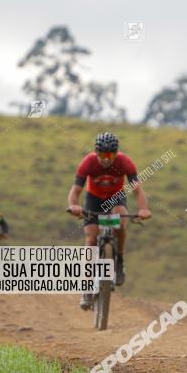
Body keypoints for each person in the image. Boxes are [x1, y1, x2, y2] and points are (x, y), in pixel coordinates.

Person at [66, 132, 151, 310]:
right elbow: (75, 191)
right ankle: (87, 288)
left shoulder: (124, 162)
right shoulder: (88, 162)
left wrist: (143, 209)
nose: (106, 159)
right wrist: (74, 206)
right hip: (94, 199)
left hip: (115, 199)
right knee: (90, 240)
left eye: (110, 155)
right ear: (96, 153)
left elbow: (137, 190)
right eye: (102, 155)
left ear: (116, 153)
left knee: (120, 221)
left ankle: (118, 260)